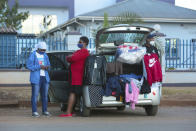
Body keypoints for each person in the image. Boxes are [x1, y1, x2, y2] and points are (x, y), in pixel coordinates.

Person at [59, 36, 90, 117]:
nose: (78, 43)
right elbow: (68, 58)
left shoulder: (84, 52)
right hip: (74, 76)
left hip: (77, 77)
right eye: (79, 42)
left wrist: (70, 57)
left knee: (72, 93)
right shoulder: (78, 51)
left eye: (80, 42)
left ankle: (68, 112)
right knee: (74, 94)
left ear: (85, 43)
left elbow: (73, 58)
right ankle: (71, 111)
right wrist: (70, 57)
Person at [26, 41, 51, 117]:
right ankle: (34, 112)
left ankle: (45, 111)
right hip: (36, 78)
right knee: (35, 95)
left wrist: (47, 67)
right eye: (42, 50)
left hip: (45, 78)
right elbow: (29, 66)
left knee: (45, 96)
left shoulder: (45, 55)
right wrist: (39, 67)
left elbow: (49, 64)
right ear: (38, 48)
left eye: (44, 50)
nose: (43, 51)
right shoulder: (33, 55)